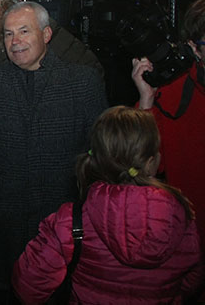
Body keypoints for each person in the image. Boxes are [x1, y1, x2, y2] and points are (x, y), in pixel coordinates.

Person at [0, 1, 108, 290]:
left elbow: (99, 153)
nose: (15, 41)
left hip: (65, 224)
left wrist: (84, 206)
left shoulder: (83, 83)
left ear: (46, 34)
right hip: (8, 223)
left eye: (24, 31)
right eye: (8, 34)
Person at [13, 107, 205, 304]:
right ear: (150, 163)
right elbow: (191, 281)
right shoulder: (182, 218)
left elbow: (28, 286)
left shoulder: (71, 221)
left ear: (95, 159)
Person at [132, 0, 205, 246]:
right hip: (191, 246)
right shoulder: (173, 93)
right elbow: (137, 168)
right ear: (194, 48)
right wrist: (146, 101)